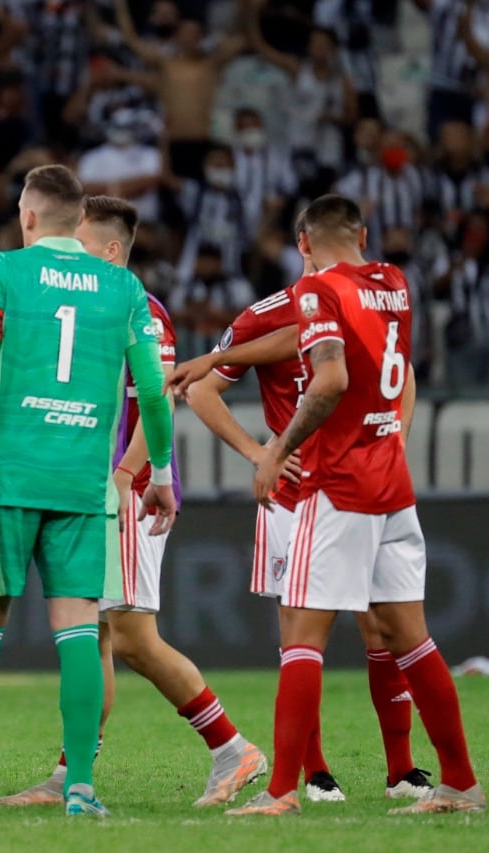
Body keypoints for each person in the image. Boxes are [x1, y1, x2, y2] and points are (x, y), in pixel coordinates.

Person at [197, 195, 483, 816]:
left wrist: (275, 452)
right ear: (362, 233)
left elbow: (328, 379)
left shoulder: (316, 293)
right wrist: (221, 358)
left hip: (336, 483)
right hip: (391, 482)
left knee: (301, 636)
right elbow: (388, 371)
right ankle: (460, 783)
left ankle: (281, 794)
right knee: (413, 638)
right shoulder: (394, 284)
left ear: (302, 243)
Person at [0, 166, 177, 817]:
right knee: (79, 628)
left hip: (8, 478)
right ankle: (80, 786)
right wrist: (160, 475)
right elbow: (154, 389)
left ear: (28, 216)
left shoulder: (1, 269)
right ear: (77, 220)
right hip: (85, 484)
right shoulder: (124, 287)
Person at [0, 196, 266, 809]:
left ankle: (234, 749)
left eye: (83, 243)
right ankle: (71, 775)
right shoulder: (95, 303)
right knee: (96, 636)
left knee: (132, 638)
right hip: (95, 489)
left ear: (112, 251)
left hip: (128, 491)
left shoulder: (141, 309)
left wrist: (126, 474)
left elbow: (159, 398)